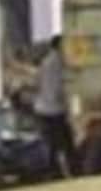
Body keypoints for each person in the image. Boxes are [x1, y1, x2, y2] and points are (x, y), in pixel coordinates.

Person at [32, 35, 79, 178]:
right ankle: (70, 170)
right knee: (65, 143)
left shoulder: (46, 62)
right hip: (54, 109)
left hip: (43, 108)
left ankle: (55, 171)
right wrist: (67, 104)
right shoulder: (57, 63)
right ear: (59, 46)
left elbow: (38, 83)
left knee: (53, 144)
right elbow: (57, 88)